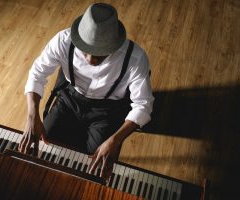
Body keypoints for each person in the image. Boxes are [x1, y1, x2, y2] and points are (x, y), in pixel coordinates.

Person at [18, 2, 154, 179]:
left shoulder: (135, 58)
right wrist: (32, 116)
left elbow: (143, 105)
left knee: (95, 168)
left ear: (114, 45)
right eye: (85, 51)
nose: (90, 59)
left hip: (107, 110)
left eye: (99, 54)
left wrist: (115, 140)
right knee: (45, 150)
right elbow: (37, 73)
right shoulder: (63, 40)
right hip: (70, 99)